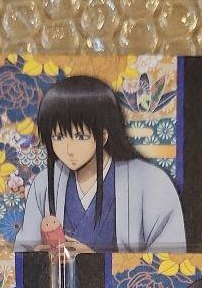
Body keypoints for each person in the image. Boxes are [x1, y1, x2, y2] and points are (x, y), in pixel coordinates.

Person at [16, 75, 185, 252]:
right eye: (58, 137)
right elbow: (23, 251)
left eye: (81, 136)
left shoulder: (150, 181)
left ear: (103, 135)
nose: (69, 149)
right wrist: (39, 257)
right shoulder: (44, 184)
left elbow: (170, 258)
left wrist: (93, 261)